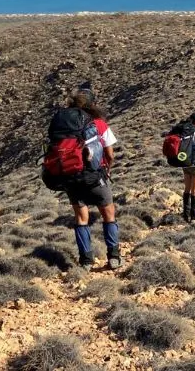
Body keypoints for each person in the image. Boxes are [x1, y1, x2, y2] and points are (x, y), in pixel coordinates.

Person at [64, 84, 122, 271]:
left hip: (72, 178)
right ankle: (113, 257)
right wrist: (107, 169)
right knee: (109, 215)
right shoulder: (99, 124)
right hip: (96, 176)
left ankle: (86, 261)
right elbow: (110, 154)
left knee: (81, 219)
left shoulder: (66, 126)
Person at [167, 112, 195, 223]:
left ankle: (185, 215)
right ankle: (194, 217)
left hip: (185, 163)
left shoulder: (184, 132)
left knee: (187, 189)